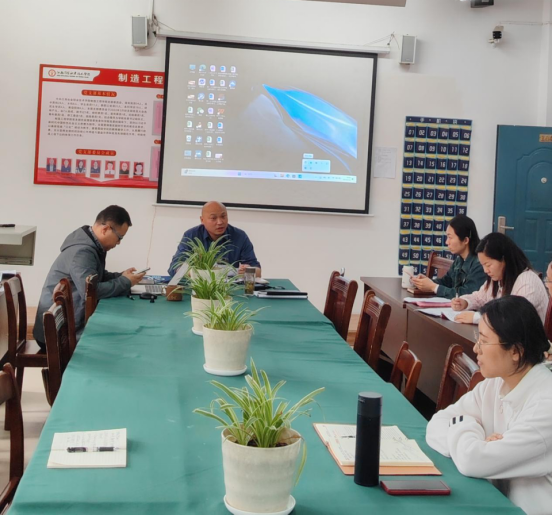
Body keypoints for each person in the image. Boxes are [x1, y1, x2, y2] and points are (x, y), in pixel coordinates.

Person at [426, 296, 552, 515]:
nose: (476, 348)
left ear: (516, 351)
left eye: (484, 341)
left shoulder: (546, 404)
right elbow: (437, 423)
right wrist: (475, 435)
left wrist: (471, 441)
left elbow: (473, 462)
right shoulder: (496, 383)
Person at [33, 206, 146, 350]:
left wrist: (121, 276)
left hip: (65, 326)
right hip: (56, 335)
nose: (119, 243)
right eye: (119, 237)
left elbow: (96, 277)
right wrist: (125, 282)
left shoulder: (91, 244)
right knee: (122, 340)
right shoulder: (82, 251)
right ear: (105, 229)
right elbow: (91, 292)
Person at [451, 232, 548, 324]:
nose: (485, 270)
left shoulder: (527, 281)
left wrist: (477, 317)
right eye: (483, 265)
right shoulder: (498, 279)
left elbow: (514, 319)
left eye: (488, 265)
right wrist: (465, 302)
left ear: (504, 259)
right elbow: (479, 298)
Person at [168, 201, 261, 277]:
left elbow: (257, 271)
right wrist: (194, 273)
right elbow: (174, 267)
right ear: (202, 220)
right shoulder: (191, 235)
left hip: (229, 288)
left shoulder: (239, 236)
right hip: (200, 287)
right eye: (213, 218)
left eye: (223, 216)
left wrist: (248, 270)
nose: (220, 222)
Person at [411, 215, 487, 298]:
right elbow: (446, 282)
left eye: (450, 237)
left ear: (465, 240)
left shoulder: (480, 264)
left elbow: (466, 294)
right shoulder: (459, 259)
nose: (447, 242)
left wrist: (433, 287)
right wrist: (426, 282)